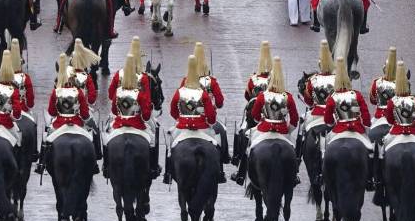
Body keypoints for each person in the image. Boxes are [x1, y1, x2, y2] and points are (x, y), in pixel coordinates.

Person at [232, 57, 297, 185]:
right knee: (293, 151)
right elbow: (294, 119)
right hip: (283, 130)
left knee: (248, 146)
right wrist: (287, 130)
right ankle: (294, 175)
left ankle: (241, 174)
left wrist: (262, 119)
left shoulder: (263, 96)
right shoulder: (288, 96)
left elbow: (255, 116)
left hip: (263, 129)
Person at [166, 53, 222, 184]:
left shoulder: (180, 91)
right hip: (203, 128)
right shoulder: (204, 91)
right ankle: (219, 171)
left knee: (170, 148)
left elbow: (173, 110)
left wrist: (181, 119)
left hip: (181, 128)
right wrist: (209, 120)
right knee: (217, 143)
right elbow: (212, 118)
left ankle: (168, 173)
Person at [383, 61, 415, 190]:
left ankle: (382, 179)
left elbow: (389, 120)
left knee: (384, 150)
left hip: (395, 133)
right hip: (414, 133)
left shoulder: (392, 101)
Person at [103, 52, 156, 180]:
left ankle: (106, 167)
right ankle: (153, 167)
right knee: (153, 140)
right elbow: (147, 115)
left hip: (119, 123)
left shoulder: (118, 91)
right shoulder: (140, 90)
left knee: (105, 137)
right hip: (137, 124)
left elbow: (114, 111)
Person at [323, 57, 373, 187]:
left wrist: (333, 123)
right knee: (370, 151)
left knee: (324, 148)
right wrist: (366, 127)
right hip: (357, 129)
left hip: (338, 129)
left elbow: (327, 120)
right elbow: (366, 116)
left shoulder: (332, 97)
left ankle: (325, 176)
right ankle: (370, 178)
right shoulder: (356, 95)